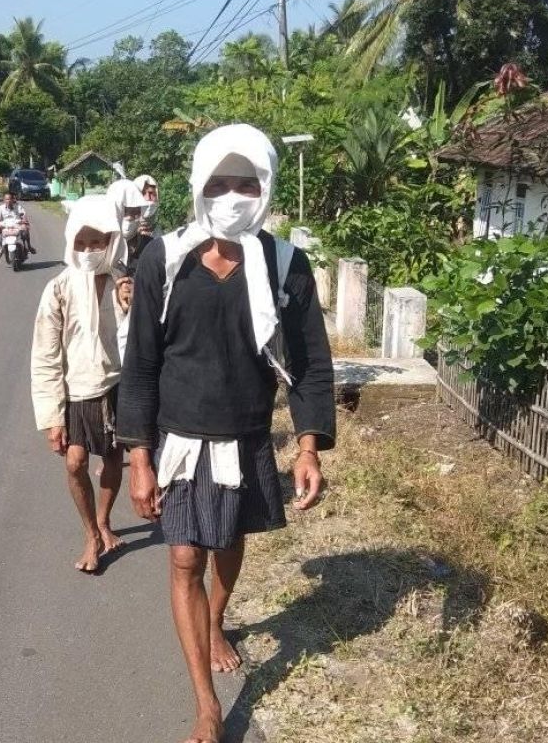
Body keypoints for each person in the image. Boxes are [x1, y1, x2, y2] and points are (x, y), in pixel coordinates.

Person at [117, 125, 335, 743]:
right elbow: (141, 364)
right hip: (178, 439)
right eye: (219, 183)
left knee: (230, 543)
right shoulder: (164, 257)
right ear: (198, 185)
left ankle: (217, 618)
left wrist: (308, 444)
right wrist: (138, 456)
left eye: (247, 183)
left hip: (246, 436)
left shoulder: (286, 265)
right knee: (187, 555)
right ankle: (206, 705)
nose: (233, 195)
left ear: (265, 188)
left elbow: (310, 362)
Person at [31, 195, 128, 573]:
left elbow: (145, 339)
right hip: (76, 392)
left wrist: (129, 306)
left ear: (111, 241)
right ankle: (90, 534)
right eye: (81, 243)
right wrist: (51, 417)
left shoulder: (127, 281)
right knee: (75, 462)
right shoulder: (58, 288)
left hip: (118, 387)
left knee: (114, 460)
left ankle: (104, 522)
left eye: (97, 242)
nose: (89, 250)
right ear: (71, 242)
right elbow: (45, 354)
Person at [0, 191, 36, 256]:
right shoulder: (0, 208)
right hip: (5, 226)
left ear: (13, 199)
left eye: (10, 199)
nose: (9, 201)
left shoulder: (18, 207)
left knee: (25, 231)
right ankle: (2, 249)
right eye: (7, 199)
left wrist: (24, 221)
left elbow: (23, 215)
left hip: (17, 225)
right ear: (4, 200)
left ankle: (29, 246)